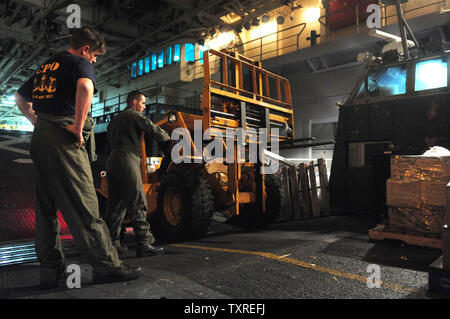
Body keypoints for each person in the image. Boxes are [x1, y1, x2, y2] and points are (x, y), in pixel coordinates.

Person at [15, 27, 141, 289]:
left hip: (40, 138)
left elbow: (20, 98)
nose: (94, 61)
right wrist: (76, 126)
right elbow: (85, 86)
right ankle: (108, 266)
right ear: (86, 49)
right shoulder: (78, 62)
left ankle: (52, 272)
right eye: (94, 55)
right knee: (85, 204)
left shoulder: (46, 66)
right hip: (63, 140)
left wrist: (37, 121)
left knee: (46, 208)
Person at [104, 90, 170, 257]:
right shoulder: (133, 115)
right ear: (134, 102)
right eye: (142, 103)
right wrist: (168, 138)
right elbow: (152, 129)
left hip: (113, 161)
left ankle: (112, 243)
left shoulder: (114, 121)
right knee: (137, 201)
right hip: (128, 160)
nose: (144, 106)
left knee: (116, 205)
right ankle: (144, 243)